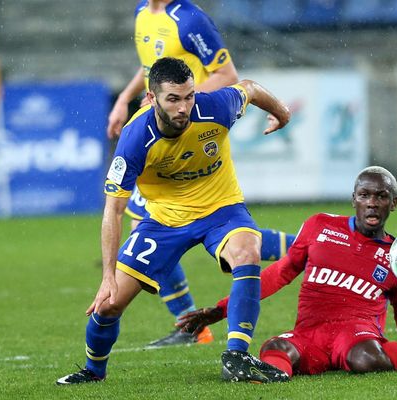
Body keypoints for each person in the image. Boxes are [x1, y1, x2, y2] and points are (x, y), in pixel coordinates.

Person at [56, 57, 292, 385]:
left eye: (189, 96)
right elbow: (113, 210)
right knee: (108, 305)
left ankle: (236, 354)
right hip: (165, 220)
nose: (184, 107)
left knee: (247, 251)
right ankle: (93, 372)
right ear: (152, 98)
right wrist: (108, 276)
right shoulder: (135, 137)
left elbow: (249, 88)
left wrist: (282, 112)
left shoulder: (216, 107)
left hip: (220, 209)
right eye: (173, 99)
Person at [178, 166, 397, 383]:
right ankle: (268, 380)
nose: (372, 203)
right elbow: (278, 274)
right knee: (275, 348)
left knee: (367, 360)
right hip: (310, 332)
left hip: (356, 334)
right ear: (354, 198)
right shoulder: (319, 226)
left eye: (381, 196)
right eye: (365, 195)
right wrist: (220, 310)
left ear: (394, 203)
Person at [107, 0, 295, 348]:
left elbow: (229, 77)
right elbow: (152, 68)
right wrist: (125, 98)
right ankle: (193, 325)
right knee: (145, 225)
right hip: (159, 135)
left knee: (168, 225)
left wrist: (183, 110)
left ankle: (305, 247)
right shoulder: (142, 13)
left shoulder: (190, 19)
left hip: (184, 135)